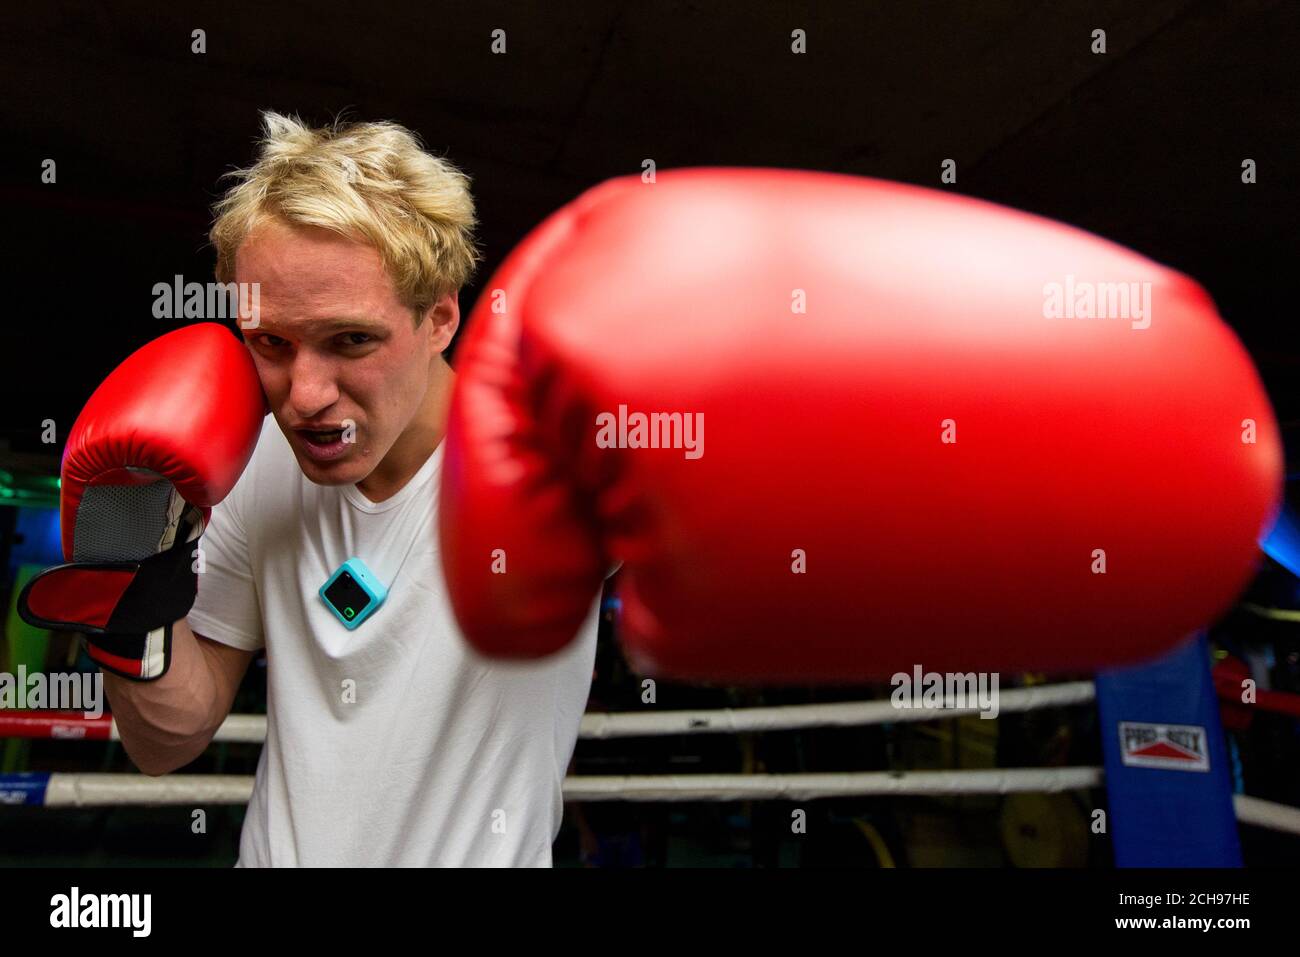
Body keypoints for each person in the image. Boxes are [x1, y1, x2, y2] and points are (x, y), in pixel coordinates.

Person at [26, 112, 603, 866]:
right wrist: (131, 590)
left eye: (351, 340)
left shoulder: (554, 465)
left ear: (439, 317)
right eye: (272, 342)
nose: (303, 395)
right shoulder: (254, 458)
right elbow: (168, 740)